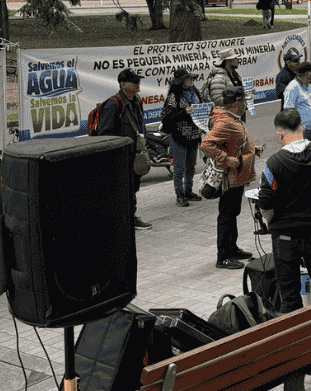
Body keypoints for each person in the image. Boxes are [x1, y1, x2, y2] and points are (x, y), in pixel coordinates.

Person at [256, 109, 311, 314]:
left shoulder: (273, 164)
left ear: (280, 133)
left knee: (289, 294)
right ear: (302, 127)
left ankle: (296, 339)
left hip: (285, 237)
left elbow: (266, 205)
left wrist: (273, 219)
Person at [200, 87, 262, 269]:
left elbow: (234, 142)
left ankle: (232, 248)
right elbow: (206, 144)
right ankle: (223, 256)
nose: (246, 104)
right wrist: (226, 159)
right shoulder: (226, 122)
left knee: (232, 213)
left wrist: (251, 149)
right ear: (236, 104)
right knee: (227, 215)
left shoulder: (232, 118)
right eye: (244, 101)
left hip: (238, 176)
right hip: (230, 178)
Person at [93, 69, 153, 231]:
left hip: (136, 153)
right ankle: (124, 219)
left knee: (133, 186)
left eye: (138, 80)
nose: (137, 84)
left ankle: (127, 217)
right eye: (134, 81)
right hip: (121, 155)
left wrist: (143, 143)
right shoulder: (114, 104)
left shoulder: (137, 100)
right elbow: (104, 134)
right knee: (122, 189)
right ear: (123, 84)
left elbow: (141, 125)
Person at [160, 68, 204, 208]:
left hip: (194, 135)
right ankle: (179, 194)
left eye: (191, 78)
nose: (191, 80)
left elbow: (202, 106)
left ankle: (188, 191)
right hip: (179, 136)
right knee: (179, 168)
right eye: (188, 78)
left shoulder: (195, 92)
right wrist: (184, 112)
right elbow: (167, 118)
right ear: (181, 81)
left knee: (191, 166)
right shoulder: (174, 96)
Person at [282, 62, 311, 142]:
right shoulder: (292, 87)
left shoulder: (309, 85)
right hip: (301, 131)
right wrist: (299, 126)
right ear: (308, 74)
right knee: (301, 153)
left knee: (310, 153)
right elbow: (289, 110)